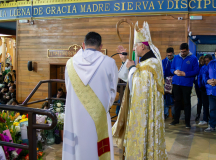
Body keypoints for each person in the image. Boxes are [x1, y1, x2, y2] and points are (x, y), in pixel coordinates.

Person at [112, 21, 168, 159]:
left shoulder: (150, 64)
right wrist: (126, 61)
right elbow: (133, 78)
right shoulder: (147, 62)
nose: (134, 49)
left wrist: (131, 68)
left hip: (146, 109)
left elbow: (138, 85)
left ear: (143, 46)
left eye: (136, 46)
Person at [62, 32, 118, 160]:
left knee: (77, 149)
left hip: (75, 115)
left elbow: (68, 88)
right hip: (99, 117)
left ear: (83, 44)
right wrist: (103, 107)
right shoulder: (109, 63)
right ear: (101, 46)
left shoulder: (70, 63)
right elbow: (113, 91)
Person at [169, 43, 199, 128]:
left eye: (184, 51)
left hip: (186, 84)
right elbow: (171, 68)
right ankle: (176, 120)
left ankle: (187, 122)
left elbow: (196, 71)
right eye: (181, 51)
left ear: (188, 50)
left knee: (186, 103)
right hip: (176, 83)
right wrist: (174, 72)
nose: (182, 53)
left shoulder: (193, 58)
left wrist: (185, 73)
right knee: (177, 102)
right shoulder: (176, 58)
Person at [198, 55, 213, 125]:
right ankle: (205, 119)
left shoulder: (214, 67)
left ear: (211, 60)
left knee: (213, 106)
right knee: (205, 105)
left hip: (212, 89)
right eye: (205, 61)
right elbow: (199, 77)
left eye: (208, 61)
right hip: (204, 89)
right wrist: (200, 86)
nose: (206, 62)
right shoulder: (203, 68)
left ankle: (212, 120)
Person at [162, 47, 175, 119]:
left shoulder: (176, 60)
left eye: (171, 55)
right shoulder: (163, 61)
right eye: (168, 55)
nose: (169, 57)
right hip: (165, 82)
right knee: (165, 97)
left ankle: (174, 114)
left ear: (173, 54)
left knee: (174, 98)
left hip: (174, 82)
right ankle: (165, 113)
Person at [195, 56, 205, 121]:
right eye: (200, 61)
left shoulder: (206, 68)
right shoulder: (197, 68)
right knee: (199, 100)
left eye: (203, 61)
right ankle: (198, 114)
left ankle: (205, 115)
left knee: (205, 101)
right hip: (197, 87)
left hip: (204, 87)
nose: (201, 62)